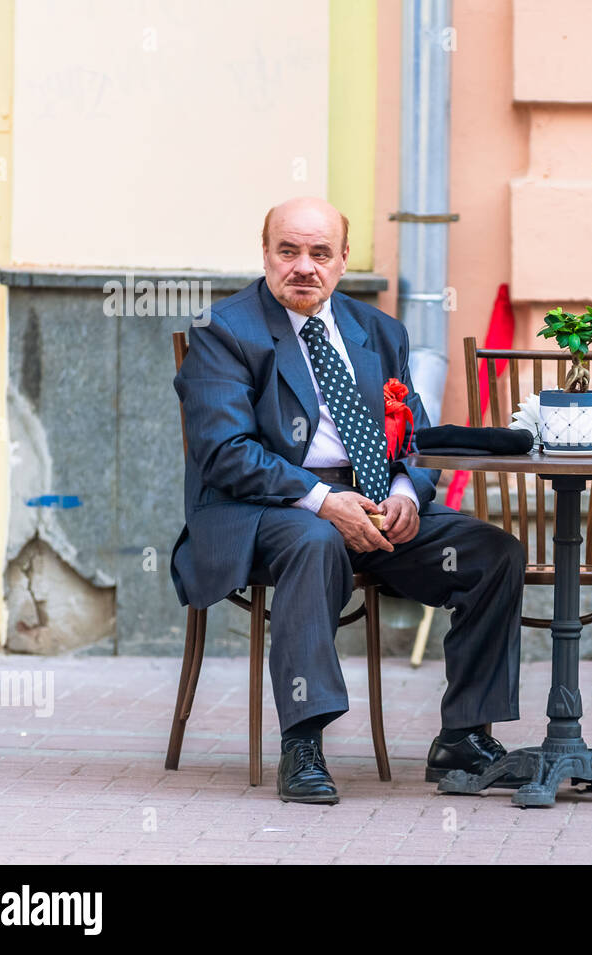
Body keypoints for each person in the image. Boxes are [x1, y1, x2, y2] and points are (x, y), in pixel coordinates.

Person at [170, 197, 525, 804]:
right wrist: (321, 499)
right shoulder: (225, 331)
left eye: (319, 253)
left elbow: (411, 432)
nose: (303, 267)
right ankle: (303, 743)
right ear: (265, 254)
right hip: (262, 508)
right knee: (316, 540)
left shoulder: (379, 331)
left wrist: (408, 489)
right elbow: (225, 452)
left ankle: (463, 737)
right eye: (288, 251)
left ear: (342, 260)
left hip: (372, 502)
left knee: (492, 553)